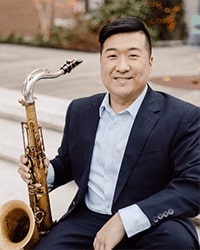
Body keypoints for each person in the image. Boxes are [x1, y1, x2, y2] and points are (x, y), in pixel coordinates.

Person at [18, 17, 200, 250]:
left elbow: (192, 187)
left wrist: (125, 220)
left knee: (177, 244)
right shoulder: (80, 109)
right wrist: (44, 171)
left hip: (151, 222)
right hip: (87, 219)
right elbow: (69, 162)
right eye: (112, 56)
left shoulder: (184, 117)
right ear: (101, 62)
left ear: (150, 62)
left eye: (133, 56)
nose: (122, 66)